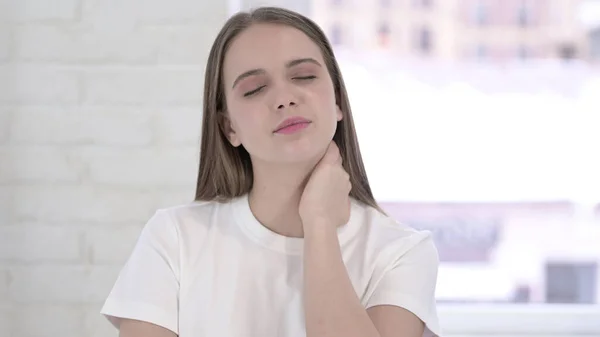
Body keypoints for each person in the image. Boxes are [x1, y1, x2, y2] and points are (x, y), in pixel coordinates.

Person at [100, 6, 441, 337]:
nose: (284, 98)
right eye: (254, 89)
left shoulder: (400, 253)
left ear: (337, 100)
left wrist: (319, 224)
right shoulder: (173, 239)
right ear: (228, 127)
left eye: (304, 76)